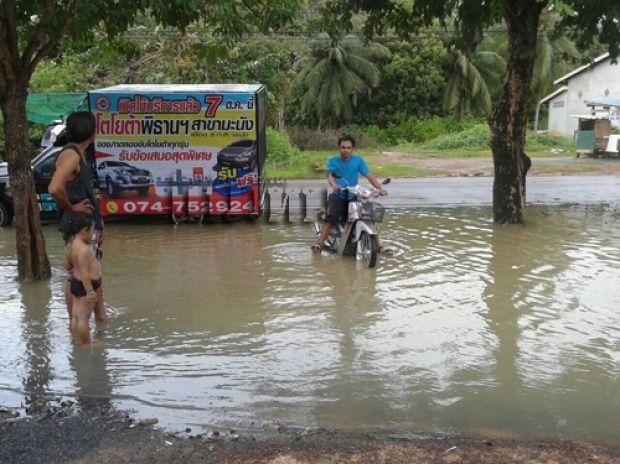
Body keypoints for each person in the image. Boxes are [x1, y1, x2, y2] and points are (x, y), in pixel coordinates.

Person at [49, 111, 109, 324]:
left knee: (90, 270)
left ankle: (97, 318)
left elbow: (87, 192)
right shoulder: (71, 154)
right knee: (83, 273)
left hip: (87, 224)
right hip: (79, 224)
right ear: (91, 131)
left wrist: (99, 222)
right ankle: (79, 324)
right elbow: (55, 188)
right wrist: (72, 208)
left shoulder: (79, 153)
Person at [312, 135, 390, 253]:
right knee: (331, 218)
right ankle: (320, 244)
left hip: (354, 195)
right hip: (339, 195)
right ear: (339, 148)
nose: (346, 150)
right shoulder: (332, 161)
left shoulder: (358, 160)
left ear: (352, 148)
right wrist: (334, 185)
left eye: (349, 148)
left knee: (369, 217)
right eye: (343, 148)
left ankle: (379, 246)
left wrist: (379, 188)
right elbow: (330, 175)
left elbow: (368, 175)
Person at [62, 212, 102, 345]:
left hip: (75, 282)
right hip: (86, 286)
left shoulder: (71, 244)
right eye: (92, 230)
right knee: (84, 318)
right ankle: (86, 344)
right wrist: (90, 291)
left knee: (75, 316)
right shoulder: (84, 250)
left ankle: (78, 340)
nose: (92, 234)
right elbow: (85, 273)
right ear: (84, 230)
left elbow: (67, 267)